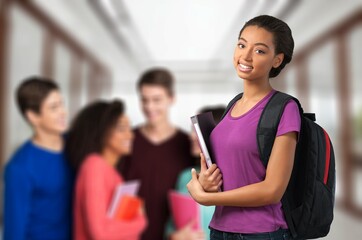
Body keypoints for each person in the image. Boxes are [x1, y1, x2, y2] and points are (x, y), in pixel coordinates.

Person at [187, 15, 301, 240]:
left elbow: (272, 190)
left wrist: (208, 199)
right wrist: (207, 183)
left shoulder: (284, 108)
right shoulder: (232, 106)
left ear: (277, 60)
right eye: (241, 45)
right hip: (219, 230)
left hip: (261, 233)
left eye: (259, 50)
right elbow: (234, 174)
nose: (245, 56)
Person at [118, 68, 194, 240]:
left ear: (171, 99)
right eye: (144, 100)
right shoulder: (126, 141)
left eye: (156, 100)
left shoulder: (186, 145)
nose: (149, 107)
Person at [3, 77, 74, 240]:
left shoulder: (75, 145)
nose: (63, 112)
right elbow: (14, 228)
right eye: (54, 108)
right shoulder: (20, 168)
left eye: (62, 104)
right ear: (33, 117)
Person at [66, 100, 147, 240]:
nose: (130, 135)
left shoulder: (111, 171)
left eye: (129, 128)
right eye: (122, 129)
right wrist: (140, 221)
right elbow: (100, 233)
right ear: (102, 131)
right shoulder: (94, 166)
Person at [167, 106, 226, 240]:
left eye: (197, 130)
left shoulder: (234, 179)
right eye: (192, 130)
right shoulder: (185, 176)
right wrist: (175, 237)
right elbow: (171, 226)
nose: (192, 136)